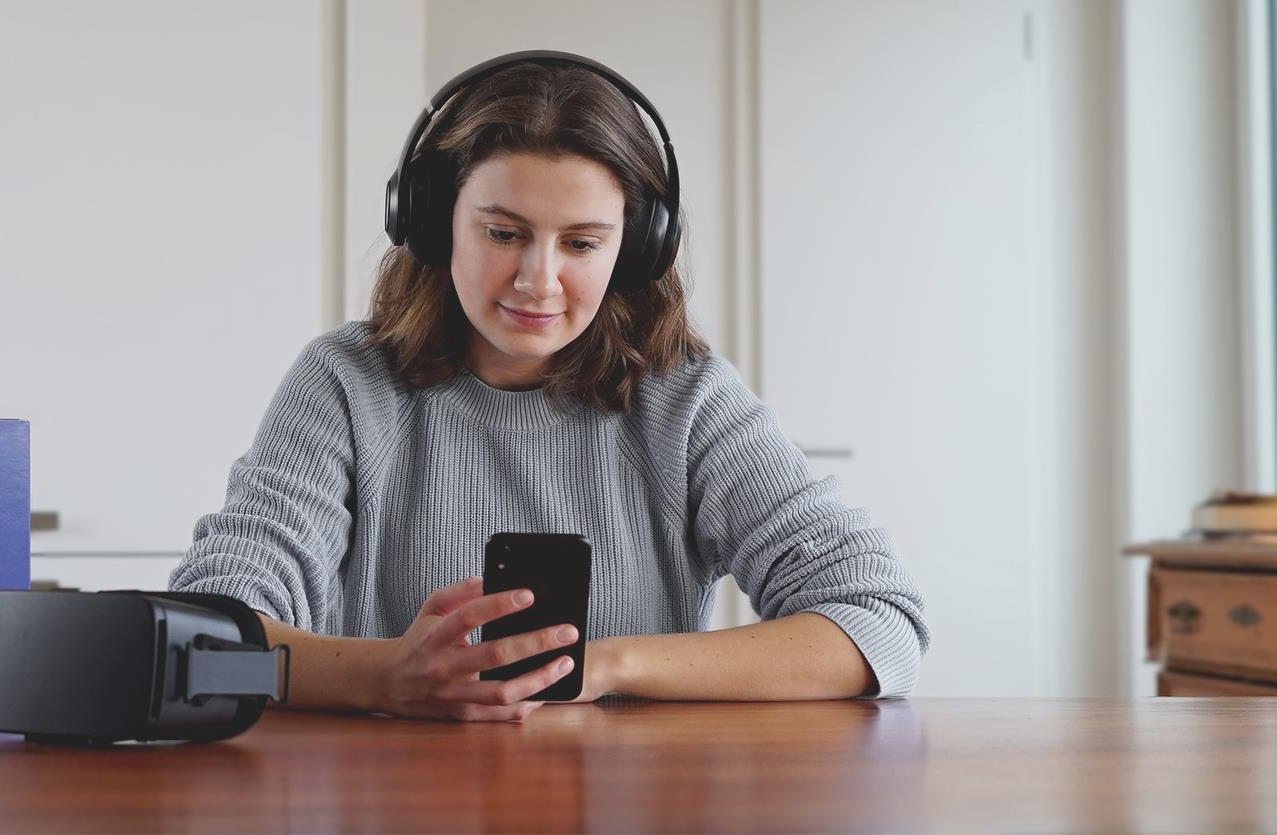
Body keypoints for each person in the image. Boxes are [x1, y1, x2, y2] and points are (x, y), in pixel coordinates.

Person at [168, 51, 928, 722]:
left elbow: (876, 617)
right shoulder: (344, 384)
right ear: (435, 224)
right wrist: (384, 676)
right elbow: (207, 629)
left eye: (582, 243)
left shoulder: (687, 400)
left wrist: (601, 666)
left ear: (633, 249)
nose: (539, 280)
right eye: (504, 233)